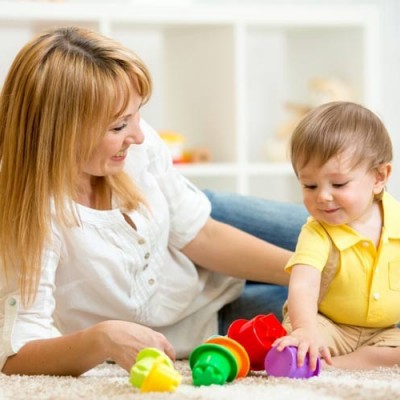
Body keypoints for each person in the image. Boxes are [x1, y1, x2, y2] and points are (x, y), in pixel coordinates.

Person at [0, 26, 307, 376]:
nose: (139, 135)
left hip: (198, 226)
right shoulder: (32, 216)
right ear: (59, 133)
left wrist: (306, 273)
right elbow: (15, 355)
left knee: (340, 242)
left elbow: (200, 235)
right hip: (207, 319)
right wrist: (103, 338)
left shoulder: (138, 148)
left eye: (137, 114)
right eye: (118, 126)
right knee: (339, 313)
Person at [273, 101, 400, 371]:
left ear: (379, 176)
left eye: (339, 184)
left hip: (383, 332)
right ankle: (318, 357)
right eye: (310, 185)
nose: (323, 196)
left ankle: (342, 364)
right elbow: (303, 285)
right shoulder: (317, 231)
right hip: (326, 324)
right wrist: (305, 329)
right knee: (296, 346)